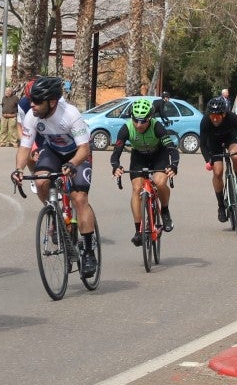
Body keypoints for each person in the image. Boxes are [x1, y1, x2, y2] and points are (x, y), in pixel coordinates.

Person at [12, 76, 99, 276]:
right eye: (31, 100)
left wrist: (72, 164)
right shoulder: (32, 116)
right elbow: (24, 148)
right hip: (53, 152)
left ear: (51, 102)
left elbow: (84, 148)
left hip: (78, 154)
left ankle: (87, 251)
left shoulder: (69, 114)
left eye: (37, 101)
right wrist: (18, 169)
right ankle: (55, 214)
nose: (31, 105)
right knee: (41, 181)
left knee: (79, 198)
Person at [110, 97, 179, 245]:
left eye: (143, 121)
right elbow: (117, 151)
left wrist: (174, 165)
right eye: (136, 120)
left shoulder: (157, 127)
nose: (139, 124)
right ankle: (138, 230)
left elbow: (171, 148)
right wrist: (116, 166)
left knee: (160, 183)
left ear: (150, 118)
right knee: (136, 189)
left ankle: (165, 211)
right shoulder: (126, 128)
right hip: (139, 157)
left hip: (158, 155)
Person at [198, 96, 237, 224]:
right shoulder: (205, 121)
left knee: (236, 155)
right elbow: (203, 144)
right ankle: (221, 206)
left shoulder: (232, 118)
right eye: (212, 116)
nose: (214, 119)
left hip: (230, 139)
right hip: (213, 143)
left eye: (218, 116)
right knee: (218, 172)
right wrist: (208, 160)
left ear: (224, 114)